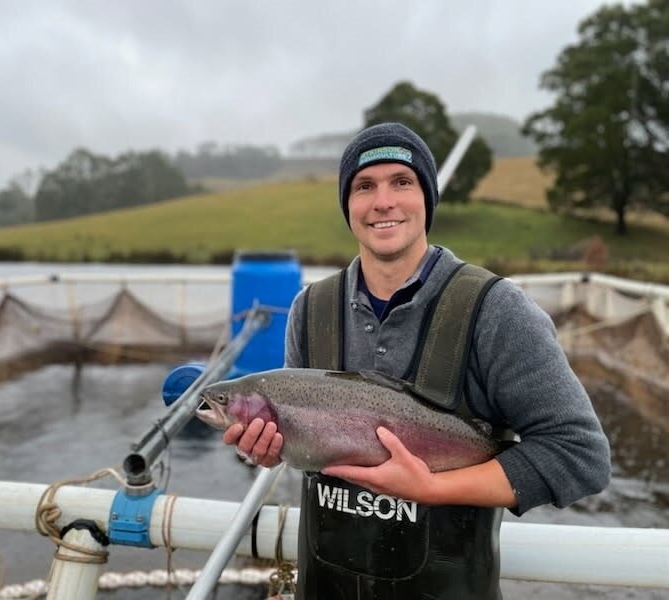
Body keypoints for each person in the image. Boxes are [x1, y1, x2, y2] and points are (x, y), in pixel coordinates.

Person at [223, 122, 611, 599]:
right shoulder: (309, 310)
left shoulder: (498, 311)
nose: (383, 201)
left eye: (402, 182)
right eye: (364, 186)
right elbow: (304, 449)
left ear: (427, 197)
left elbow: (580, 455)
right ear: (347, 205)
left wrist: (432, 488)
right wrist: (268, 448)